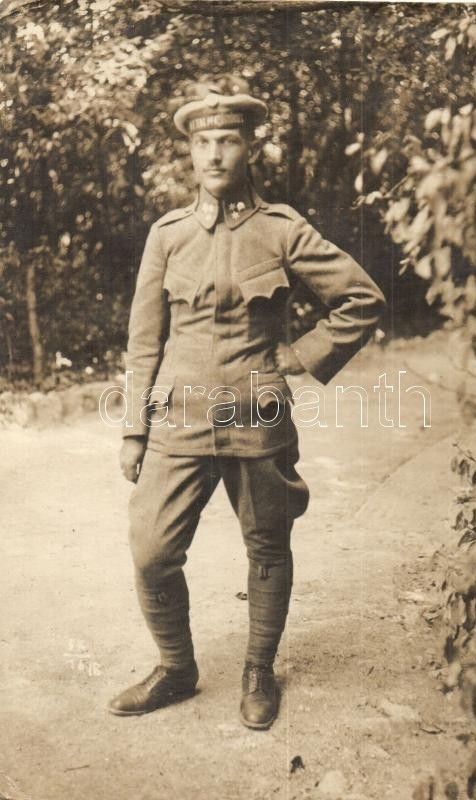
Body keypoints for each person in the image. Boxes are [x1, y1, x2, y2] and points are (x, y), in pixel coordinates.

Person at [108, 75, 386, 729]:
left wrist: (299, 356)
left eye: (226, 140)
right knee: (150, 550)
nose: (212, 154)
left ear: (248, 148)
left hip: (255, 418)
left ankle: (258, 671)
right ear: (190, 151)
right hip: (177, 419)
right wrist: (132, 432)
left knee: (266, 545)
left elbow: (361, 299)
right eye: (202, 141)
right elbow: (143, 342)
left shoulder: (280, 231)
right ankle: (176, 669)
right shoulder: (168, 235)